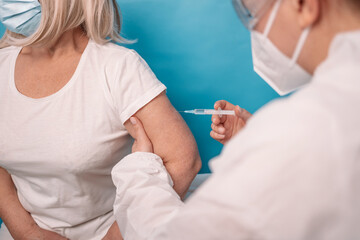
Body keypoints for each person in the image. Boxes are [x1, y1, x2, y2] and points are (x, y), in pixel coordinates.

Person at [111, 0, 360, 239]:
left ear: (303, 5)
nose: (256, 31)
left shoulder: (299, 133)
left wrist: (139, 174)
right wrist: (259, 154)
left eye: (253, 12)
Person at [0, 0, 201, 239]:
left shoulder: (116, 67)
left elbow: (183, 160)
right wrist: (27, 232)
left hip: (112, 230)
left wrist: (117, 236)